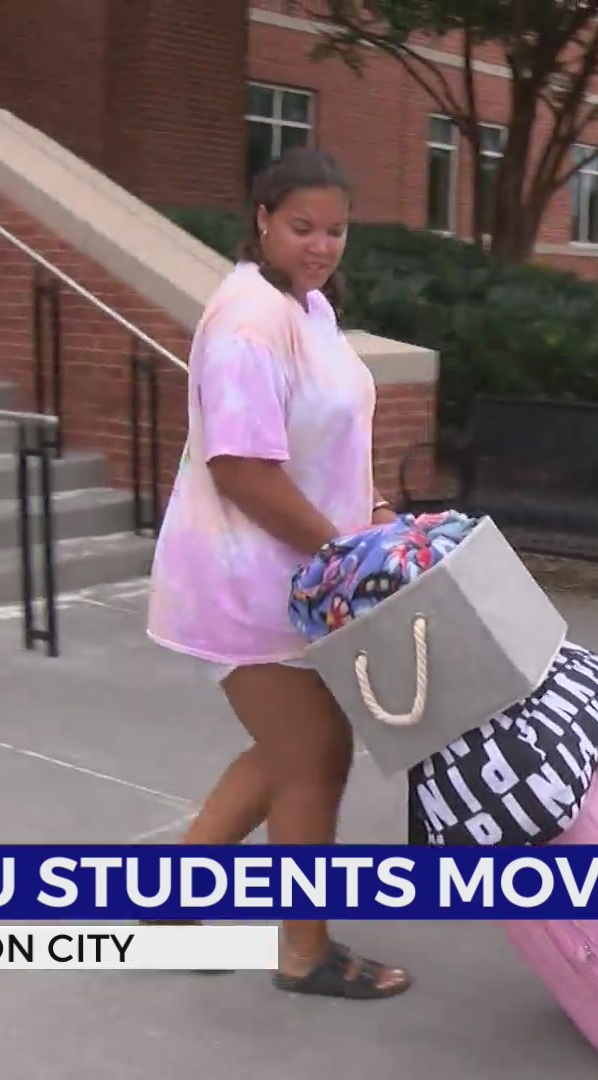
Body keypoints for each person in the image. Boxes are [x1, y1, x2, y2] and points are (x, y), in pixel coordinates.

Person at [144, 146, 411, 999]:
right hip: (249, 580)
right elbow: (242, 470)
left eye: (336, 230)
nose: (322, 246)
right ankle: (303, 952)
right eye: (303, 227)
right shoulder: (248, 320)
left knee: (287, 750)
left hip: (305, 578)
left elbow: (327, 441)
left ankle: (171, 908)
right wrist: (344, 553)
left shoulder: (308, 308)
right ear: (261, 220)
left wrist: (376, 517)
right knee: (314, 757)